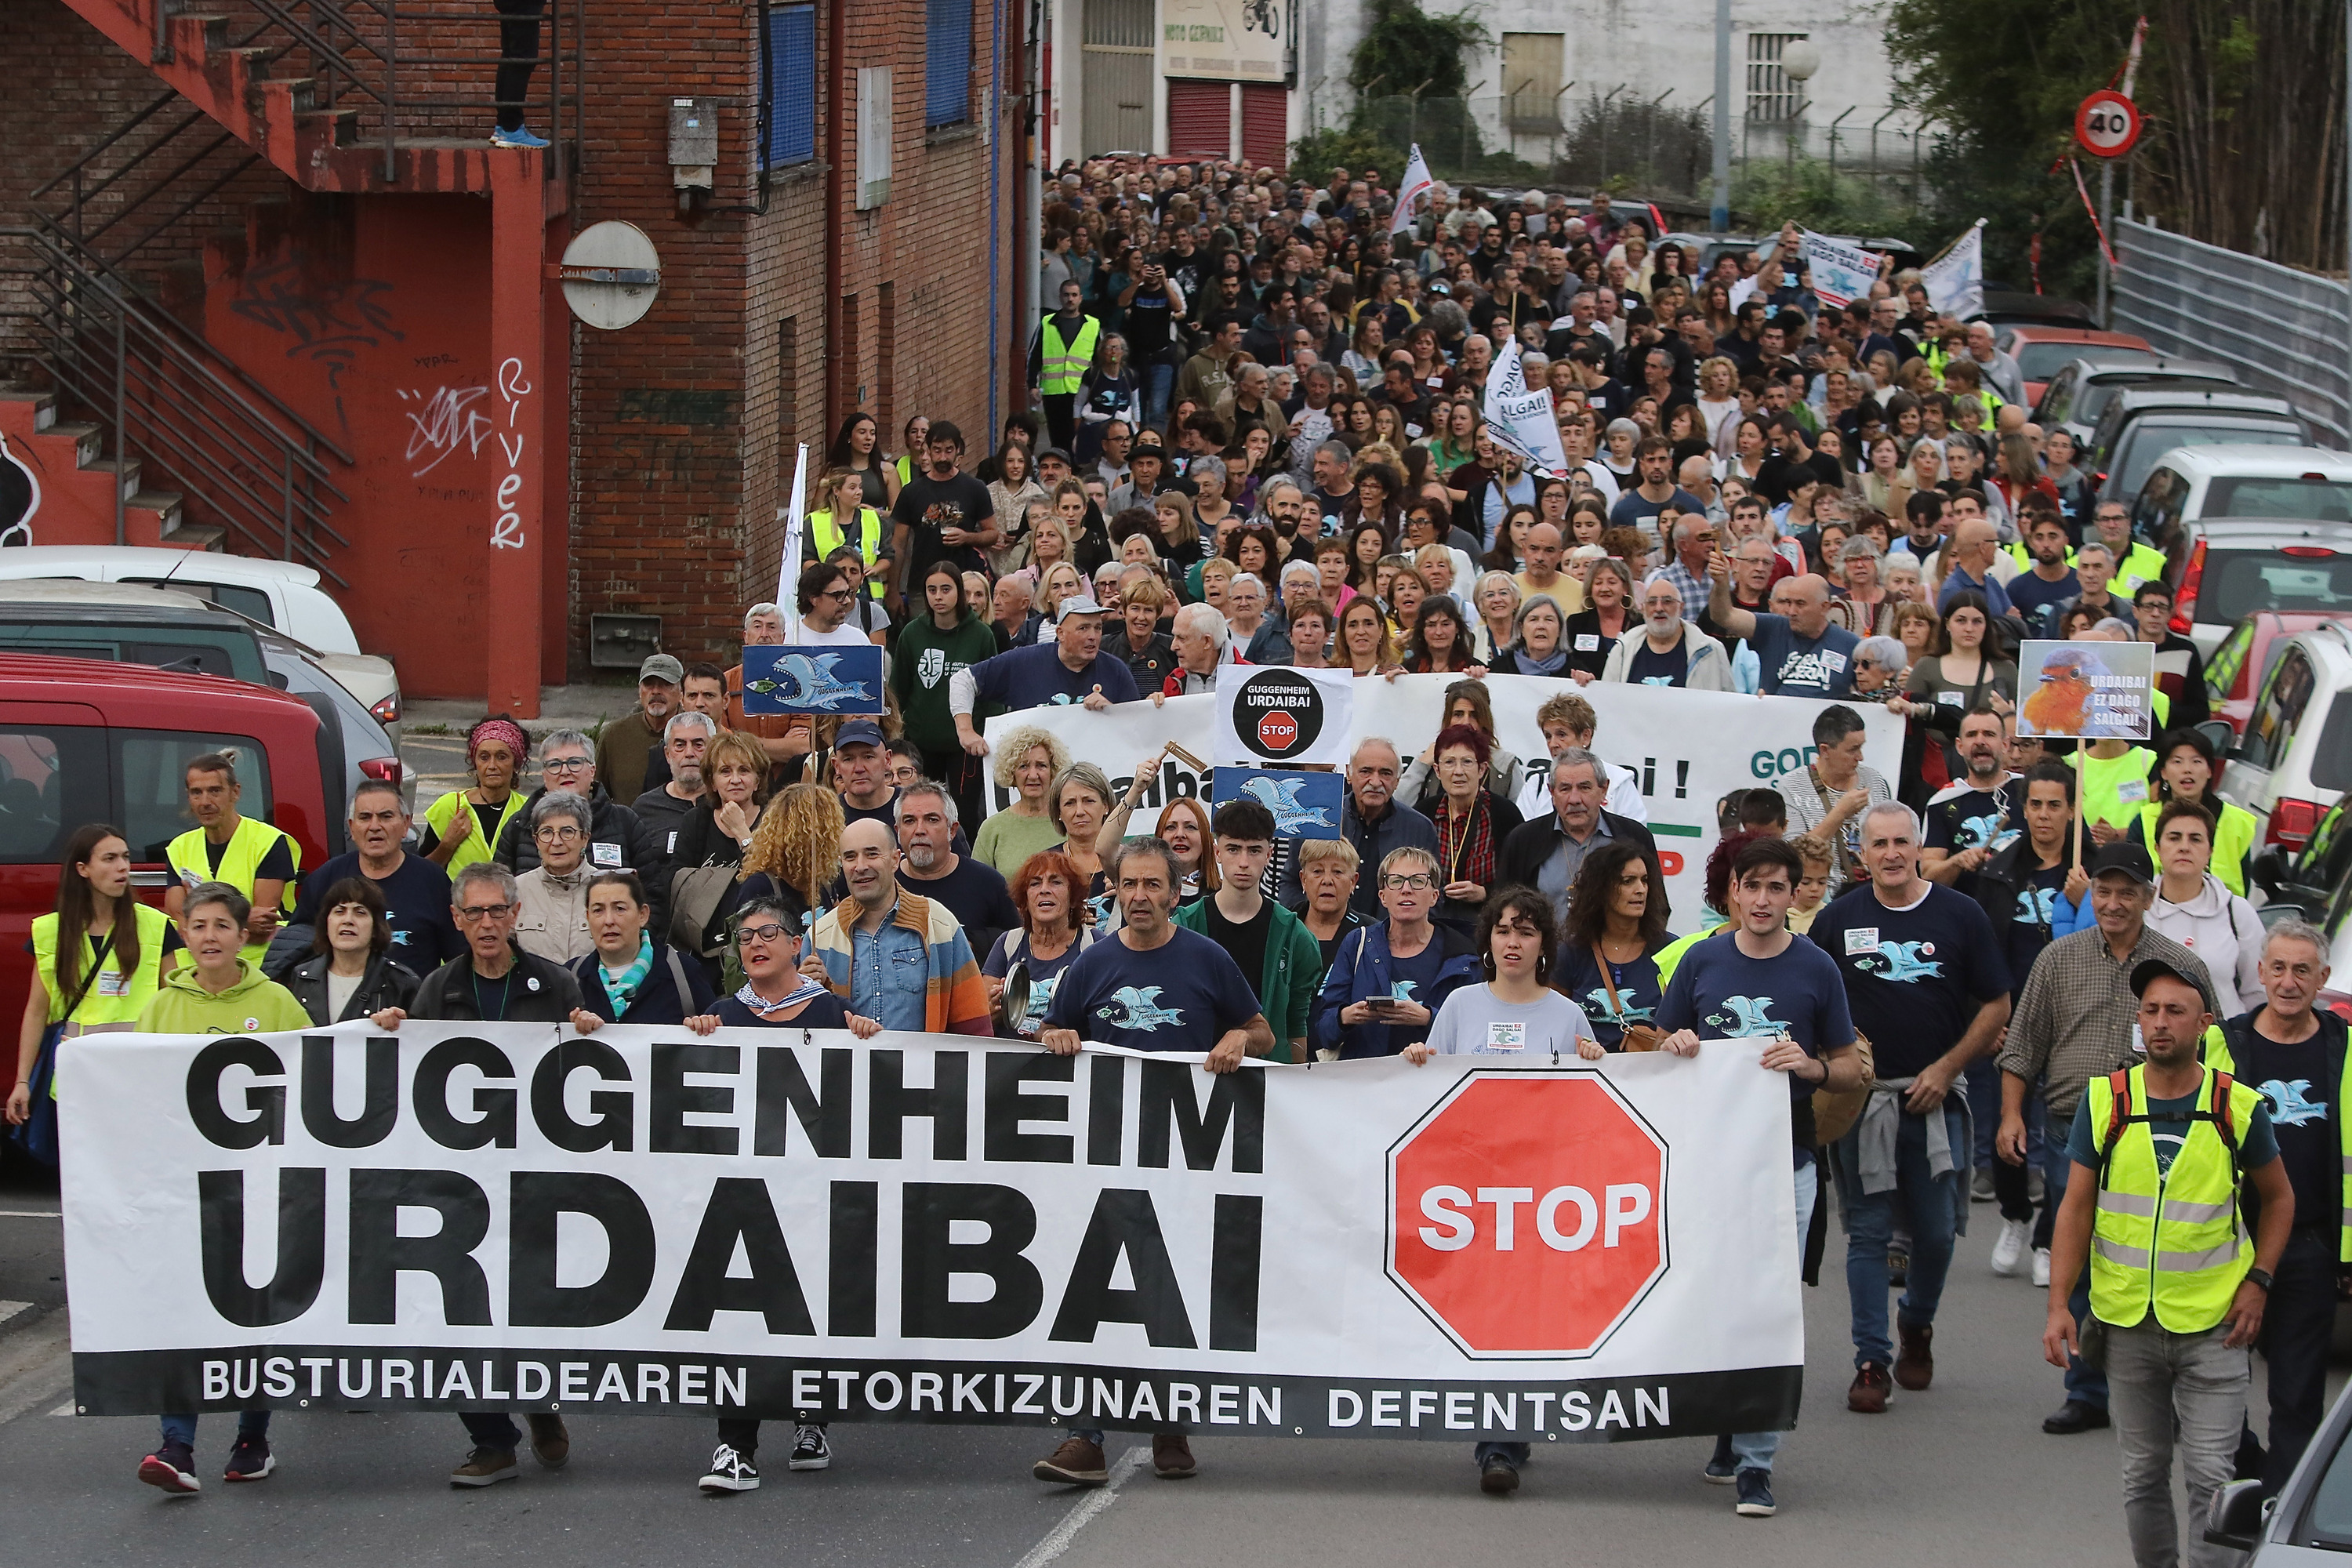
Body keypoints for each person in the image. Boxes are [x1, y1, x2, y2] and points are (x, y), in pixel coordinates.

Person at [1033, 837, 1273, 1486]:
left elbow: (1263, 1033)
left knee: (1167, 1290)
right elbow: (1054, 1036)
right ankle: (1085, 1437)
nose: (1140, 897)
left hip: (1186, 1156)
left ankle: (1171, 1426)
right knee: (1092, 1292)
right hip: (1104, 1154)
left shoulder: (1207, 957)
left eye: (1153, 885)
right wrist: (1057, 1036)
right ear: (1114, 889)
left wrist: (1235, 1036)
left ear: (1175, 892)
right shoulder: (1090, 965)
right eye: (1129, 885)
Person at [2041, 959, 2289, 1568]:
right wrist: (2058, 1308)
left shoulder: (2238, 1106)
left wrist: (2258, 1284)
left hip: (2215, 1327)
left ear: (2204, 1024)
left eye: (2175, 1011)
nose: (2159, 1023)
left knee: (2212, 1480)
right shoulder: (2106, 1099)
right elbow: (2075, 1208)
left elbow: (2280, 1198)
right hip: (2128, 1324)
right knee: (2142, 1475)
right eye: (2150, 1010)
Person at [1656, 834, 1866, 1518]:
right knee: (1716, 1296)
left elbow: (1849, 1066)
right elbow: (1659, 1048)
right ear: (1732, 892)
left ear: (1795, 894)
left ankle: (1756, 1461)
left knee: (1769, 1302)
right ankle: (1726, 1422)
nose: (1765, 900)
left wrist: (1811, 1067)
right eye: (1754, 886)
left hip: (1790, 1160)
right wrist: (1677, 1044)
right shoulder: (1701, 960)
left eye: (1779, 887)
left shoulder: (1818, 969)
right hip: (1708, 1162)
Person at [367, 861, 587, 1486]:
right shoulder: (436, 990)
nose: (488, 923)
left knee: (528, 1303)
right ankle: (491, 1439)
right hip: (459, 1183)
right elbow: (412, 1074)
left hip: (535, 1181)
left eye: (499, 911)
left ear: (517, 915)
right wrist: (390, 1032)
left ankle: (541, 1404)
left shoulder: (555, 986)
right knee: (458, 1306)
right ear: (457, 921)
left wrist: (590, 1035)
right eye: (475, 914)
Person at [1997, 843, 2220, 1437]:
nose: (2114, 903)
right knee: (2083, 1258)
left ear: (2149, 898)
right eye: (2104, 891)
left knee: (2154, 1258)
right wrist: (2011, 1116)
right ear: (2089, 893)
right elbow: (2022, 1047)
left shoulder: (2180, 966)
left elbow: (2215, 1049)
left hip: (2159, 1130)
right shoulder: (2058, 959)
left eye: (2127, 892)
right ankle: (2087, 1390)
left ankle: (2166, 1387)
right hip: (2075, 1127)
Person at [1809, 803, 2011, 1414]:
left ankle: (1916, 1324)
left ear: (1919, 848)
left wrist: (1947, 1068)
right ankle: (1871, 1360)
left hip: (1936, 1101)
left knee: (1935, 1233)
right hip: (1861, 1104)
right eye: (1879, 844)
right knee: (1867, 1234)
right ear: (1861, 855)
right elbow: (1811, 1001)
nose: (1892, 854)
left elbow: (1997, 1004)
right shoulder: (1838, 921)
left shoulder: (1961, 915)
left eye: (1903, 842)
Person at [1402, 886, 1599, 1494]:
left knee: (1524, 1315)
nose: (1513, 943)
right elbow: (1434, 1092)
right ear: (1488, 939)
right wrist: (1418, 1059)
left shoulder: (1566, 1015)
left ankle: (1501, 1444)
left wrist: (1595, 1061)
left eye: (1527, 932)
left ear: (1545, 944)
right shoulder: (1461, 1005)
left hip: (1539, 1197)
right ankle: (1502, 1432)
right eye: (1504, 930)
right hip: (1471, 1192)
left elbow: (1594, 1110)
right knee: (1485, 1314)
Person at [695, 895, 877, 1495]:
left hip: (811, 1194)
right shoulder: (724, 1013)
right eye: (743, 937)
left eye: (767, 933)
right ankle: (735, 1446)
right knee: (740, 1315)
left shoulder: (831, 1014)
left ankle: (810, 1419)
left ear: (796, 944)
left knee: (808, 1309)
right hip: (744, 1194)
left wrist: (866, 1037)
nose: (754, 944)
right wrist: (694, 1038)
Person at [132, 880, 308, 1494]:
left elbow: (315, 1082)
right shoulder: (160, 1009)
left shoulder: (280, 1004)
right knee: (181, 1316)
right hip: (186, 1192)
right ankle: (176, 1445)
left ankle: (251, 1440)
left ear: (242, 936)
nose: (209, 936)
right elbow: (138, 1093)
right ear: (185, 935)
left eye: (221, 926)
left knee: (253, 1317)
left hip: (259, 1189)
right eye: (198, 925)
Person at [2204, 920, 2346, 1496]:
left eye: (2302, 971)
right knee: (2214, 1389)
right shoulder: (2221, 1046)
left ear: (2323, 980)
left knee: (2297, 1395)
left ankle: (2279, 1515)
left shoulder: (2347, 1050)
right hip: (2226, 1243)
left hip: (2310, 1246)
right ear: (2260, 973)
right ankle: (2247, 1476)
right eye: (2279, 969)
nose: (2289, 982)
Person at [6, 825, 174, 1138]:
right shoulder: (50, 931)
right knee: (82, 1175)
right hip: (77, 1076)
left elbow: (176, 1004)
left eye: (125, 857)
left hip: (139, 1075)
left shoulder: (156, 926)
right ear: (82, 869)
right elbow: (36, 1012)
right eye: (109, 858)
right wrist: (22, 1081)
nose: (123, 866)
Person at [807, 818, 993, 1037]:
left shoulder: (939, 924)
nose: (860, 866)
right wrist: (803, 991)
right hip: (847, 1071)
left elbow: (974, 1025)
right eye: (850, 857)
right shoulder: (820, 935)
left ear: (895, 860)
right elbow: (799, 1030)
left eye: (872, 854)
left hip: (923, 1070)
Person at [1171, 800, 1321, 1062]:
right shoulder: (1183, 925)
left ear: (1269, 854)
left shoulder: (1295, 935)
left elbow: (1297, 1020)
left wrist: (1297, 1085)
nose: (1243, 862)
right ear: (1217, 852)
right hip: (1197, 1075)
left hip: (1269, 1079)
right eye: (1233, 849)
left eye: (1254, 851)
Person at [1310, 844, 1482, 1060]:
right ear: (1383, 896)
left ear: (1434, 896)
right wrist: (1344, 1017)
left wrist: (1429, 1018)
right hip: (1365, 1083)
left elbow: (1476, 1033)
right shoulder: (1357, 943)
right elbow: (1323, 1030)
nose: (1406, 889)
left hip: (1434, 1083)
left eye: (1418, 881)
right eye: (1396, 881)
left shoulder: (1463, 955)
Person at [287, 779, 462, 972]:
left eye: (386, 817)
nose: (375, 826)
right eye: (365, 817)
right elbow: (296, 953)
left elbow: (459, 960)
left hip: (414, 1001)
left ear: (406, 825)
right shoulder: (325, 880)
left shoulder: (433, 881)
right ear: (352, 828)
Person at [1501, 747, 1664, 931]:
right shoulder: (1523, 840)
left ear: (1604, 790)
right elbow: (1503, 910)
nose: (1575, 799)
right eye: (1565, 789)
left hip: (1613, 956)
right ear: (1552, 793)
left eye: (1584, 788)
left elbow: (1657, 907)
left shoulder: (1634, 837)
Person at [490, 728, 662, 903]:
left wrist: (642, 931)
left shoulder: (626, 822)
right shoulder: (519, 825)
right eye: (555, 765)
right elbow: (497, 894)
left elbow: (652, 894)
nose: (565, 771)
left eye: (574, 762)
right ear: (544, 775)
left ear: (592, 770)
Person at [951, 597, 1138, 756]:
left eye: (1098, 628)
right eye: (1083, 628)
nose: (1093, 636)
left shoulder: (1116, 670)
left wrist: (1112, 714)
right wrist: (966, 731)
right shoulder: (1026, 661)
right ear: (1061, 634)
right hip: (1035, 776)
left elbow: (1137, 733)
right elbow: (963, 680)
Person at [1276, 738, 1438, 920]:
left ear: (1397, 781)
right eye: (1366, 771)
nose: (1375, 782)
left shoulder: (1419, 829)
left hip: (1391, 942)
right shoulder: (1317, 818)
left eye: (1385, 773)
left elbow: (1431, 896)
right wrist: (1306, 927)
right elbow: (1291, 882)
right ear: (1349, 774)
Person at [164, 751, 299, 967]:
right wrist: (243, 919)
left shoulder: (268, 842)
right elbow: (179, 922)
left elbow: (262, 928)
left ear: (235, 792)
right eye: (196, 793)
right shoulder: (178, 848)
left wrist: (200, 923)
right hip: (196, 971)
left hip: (257, 968)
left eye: (215, 791)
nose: (205, 802)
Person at [893, 560, 1000, 825]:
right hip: (921, 741)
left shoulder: (981, 635)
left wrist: (988, 733)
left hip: (965, 746)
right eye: (931, 590)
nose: (938, 597)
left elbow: (994, 691)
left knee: (964, 815)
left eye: (946, 589)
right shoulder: (912, 633)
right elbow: (898, 689)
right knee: (922, 812)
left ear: (959, 592)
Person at [2143, 800, 2263, 1017]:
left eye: (2195, 839)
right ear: (2158, 849)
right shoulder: (2138, 911)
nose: (2184, 847)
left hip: (2221, 1043)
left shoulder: (2237, 912)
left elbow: (2258, 993)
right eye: (2174, 838)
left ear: (2210, 852)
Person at [1552, 840, 1674, 1051]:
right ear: (1601, 888)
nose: (1641, 890)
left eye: (1645, 880)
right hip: (1588, 1075)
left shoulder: (1671, 949)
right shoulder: (1572, 952)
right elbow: (1553, 1023)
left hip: (1652, 1077)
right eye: (1628, 881)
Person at [564, 869, 720, 1027]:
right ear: (587, 917)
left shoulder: (685, 973)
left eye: (620, 909)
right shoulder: (569, 977)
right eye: (598, 910)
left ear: (643, 915)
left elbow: (716, 1041)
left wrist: (704, 1025)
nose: (609, 920)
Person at [896, 780, 1020, 964]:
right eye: (909, 821)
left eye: (932, 820)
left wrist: (973, 943)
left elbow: (1018, 944)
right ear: (897, 831)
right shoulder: (884, 885)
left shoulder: (988, 883)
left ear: (952, 830)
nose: (919, 830)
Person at [1776, 705, 1893, 898]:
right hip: (1821, 900)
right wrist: (1840, 814)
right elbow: (1792, 856)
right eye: (1853, 750)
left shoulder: (1874, 780)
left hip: (1875, 895)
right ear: (1825, 750)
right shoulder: (1792, 786)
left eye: (1861, 747)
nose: (1860, 757)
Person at [982, 848, 1098, 1039]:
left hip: (1070, 1062)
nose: (1044, 890)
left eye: (1056, 882)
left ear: (1073, 898)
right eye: (1035, 884)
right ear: (1025, 900)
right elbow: (981, 1014)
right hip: (1009, 1061)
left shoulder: (1093, 944)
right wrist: (994, 1007)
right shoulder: (1007, 943)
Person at [1421, 723, 1525, 932]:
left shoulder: (1504, 814)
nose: (1458, 771)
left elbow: (1523, 882)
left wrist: (1485, 893)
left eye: (1467, 762)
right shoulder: (1424, 814)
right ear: (1438, 771)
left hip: (1489, 924)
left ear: (1482, 769)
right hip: (1431, 924)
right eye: (1449, 762)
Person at [2126, 729, 2257, 896]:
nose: (2187, 770)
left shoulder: (2238, 821)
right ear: (2163, 772)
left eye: (2196, 761)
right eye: (2177, 762)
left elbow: (2245, 885)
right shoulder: (2144, 821)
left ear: (2210, 771)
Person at [1706, 559, 1859, 698]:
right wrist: (1721, 584)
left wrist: (1883, 700)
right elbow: (1724, 616)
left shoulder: (1849, 644)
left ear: (1824, 607)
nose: (1791, 611)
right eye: (1788, 602)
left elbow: (1871, 687)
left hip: (1826, 726)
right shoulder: (1772, 628)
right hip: (1778, 724)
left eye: (1800, 604)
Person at [890, 419, 1000, 606]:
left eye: (948, 450)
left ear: (958, 451)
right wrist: (893, 591)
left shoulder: (975, 488)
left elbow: (993, 534)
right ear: (928, 450)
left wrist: (967, 537)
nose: (942, 457)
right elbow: (898, 545)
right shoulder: (912, 492)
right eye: (937, 450)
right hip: (922, 586)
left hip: (965, 585)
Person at [286, 877, 422, 1024]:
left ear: (376, 928)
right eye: (339, 911)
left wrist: (402, 1025)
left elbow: (419, 1039)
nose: (348, 920)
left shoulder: (402, 982)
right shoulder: (301, 977)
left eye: (360, 912)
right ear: (326, 923)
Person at [421, 717, 532, 873]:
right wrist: (447, 844)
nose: (492, 766)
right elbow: (421, 873)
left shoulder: (528, 810)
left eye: (502, 757)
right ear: (475, 763)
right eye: (484, 757)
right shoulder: (451, 806)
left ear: (516, 763)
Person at [971, 725, 1072, 878]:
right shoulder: (992, 828)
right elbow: (977, 885)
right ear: (1011, 772)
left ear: (1053, 770)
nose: (1033, 775)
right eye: (1023, 766)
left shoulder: (1071, 821)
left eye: (1041, 765)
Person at [1599, 575, 1733, 688]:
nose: (1659, 608)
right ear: (1643, 609)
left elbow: (1728, 704)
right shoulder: (1622, 650)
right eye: (1652, 602)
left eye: (1667, 601)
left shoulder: (1710, 651)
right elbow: (1608, 701)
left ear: (1681, 608)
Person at [511, 791, 595, 964]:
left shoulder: (607, 887)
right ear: (536, 841)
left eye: (567, 832)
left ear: (585, 838)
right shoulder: (516, 890)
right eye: (547, 832)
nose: (556, 842)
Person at [593, 653, 683, 803]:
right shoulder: (614, 735)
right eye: (649, 684)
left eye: (665, 684)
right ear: (640, 690)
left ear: (681, 692)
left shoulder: (696, 735)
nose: (656, 691)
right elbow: (597, 795)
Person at [634, 709, 715, 858]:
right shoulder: (645, 808)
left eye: (698, 745)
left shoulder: (727, 803)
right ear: (667, 754)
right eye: (680, 745)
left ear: (713, 751)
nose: (689, 753)